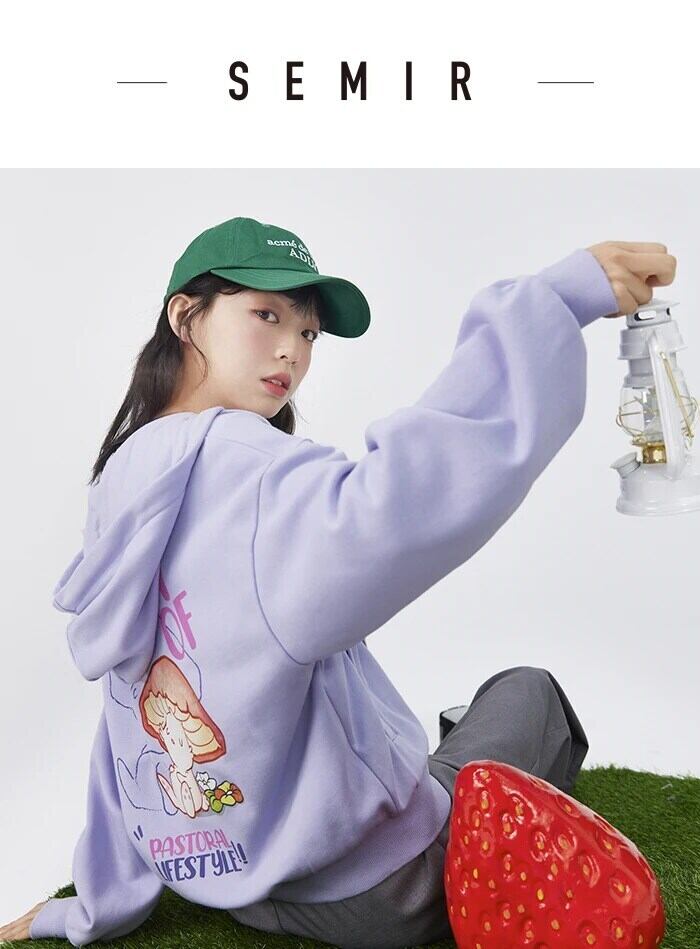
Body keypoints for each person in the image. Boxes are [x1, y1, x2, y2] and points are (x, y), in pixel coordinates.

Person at [2, 217, 675, 947]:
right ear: (185, 316)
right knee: (527, 692)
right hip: (387, 891)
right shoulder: (252, 471)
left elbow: (125, 714)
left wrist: (94, 906)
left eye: (308, 332)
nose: (292, 349)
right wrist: (553, 302)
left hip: (235, 884)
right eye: (266, 314)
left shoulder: (119, 489)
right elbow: (405, 501)